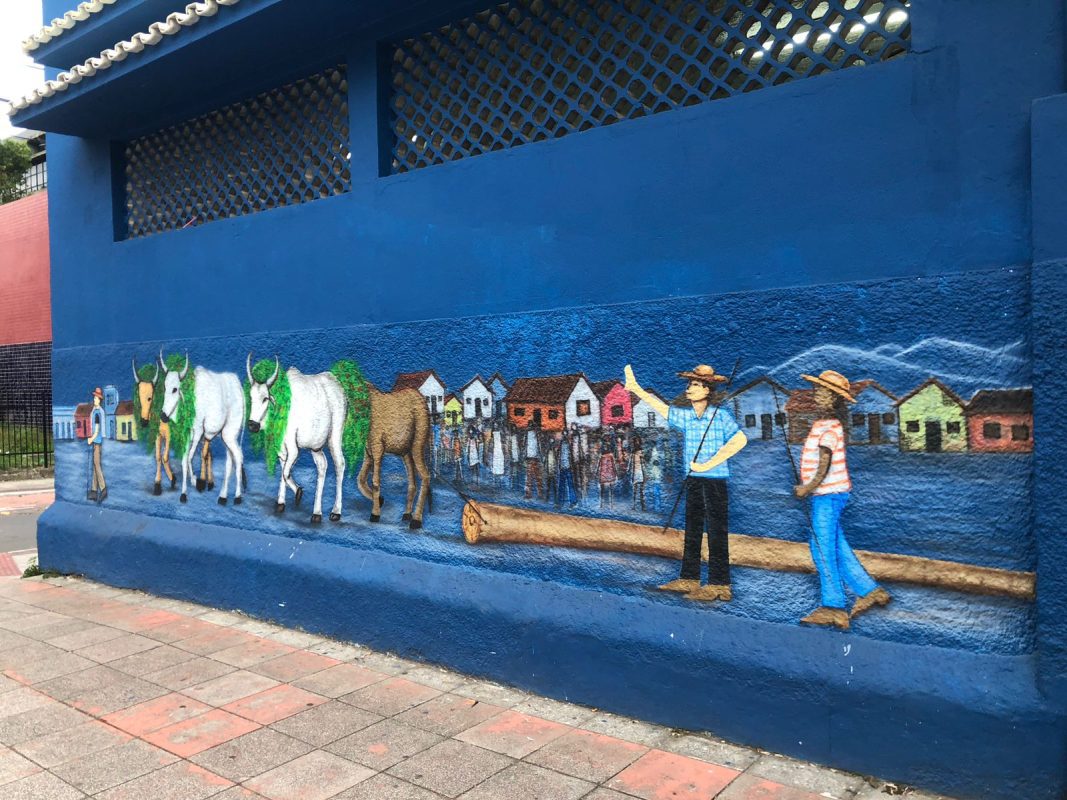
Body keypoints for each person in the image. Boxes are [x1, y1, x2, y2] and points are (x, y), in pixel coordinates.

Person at [625, 363, 747, 602]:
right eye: (689, 384)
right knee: (692, 528)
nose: (689, 388)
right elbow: (662, 409)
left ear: (707, 390)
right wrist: (635, 388)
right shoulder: (687, 417)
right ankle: (689, 577)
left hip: (714, 481)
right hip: (692, 479)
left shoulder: (719, 416)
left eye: (695, 384)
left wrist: (708, 463)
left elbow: (739, 440)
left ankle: (720, 584)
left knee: (716, 531)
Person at [794, 370, 891, 630]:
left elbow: (824, 463)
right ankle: (870, 591)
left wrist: (808, 487)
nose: (817, 395)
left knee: (821, 548)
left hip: (827, 494)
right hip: (830, 494)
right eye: (817, 391)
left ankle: (834, 607)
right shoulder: (823, 424)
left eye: (823, 393)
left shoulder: (830, 426)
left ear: (835, 399)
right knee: (836, 545)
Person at [87, 387, 107, 503]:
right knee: (95, 465)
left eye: (96, 398)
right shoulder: (95, 411)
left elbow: (97, 430)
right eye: (94, 398)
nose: (94, 400)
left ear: (99, 400)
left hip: (97, 442)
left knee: (97, 464)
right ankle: (94, 491)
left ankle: (103, 488)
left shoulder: (97, 413)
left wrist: (91, 439)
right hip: (97, 442)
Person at [524, 419, 544, 500]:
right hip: (530, 458)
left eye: (531, 425)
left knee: (536, 477)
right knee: (530, 477)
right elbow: (525, 446)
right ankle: (529, 494)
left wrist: (541, 456)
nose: (530, 427)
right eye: (530, 425)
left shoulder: (536, 434)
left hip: (535, 458)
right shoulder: (528, 434)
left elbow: (539, 446)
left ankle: (539, 494)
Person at [597, 440, 617, 509]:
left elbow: (613, 464)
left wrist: (615, 472)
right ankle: (604, 504)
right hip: (605, 472)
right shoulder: (605, 455)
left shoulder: (607, 455)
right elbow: (599, 465)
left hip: (607, 472)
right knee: (606, 489)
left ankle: (607, 504)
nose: (605, 447)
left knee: (608, 489)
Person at [630, 434, 645, 511]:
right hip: (635, 472)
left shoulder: (641, 452)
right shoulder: (633, 453)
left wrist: (645, 473)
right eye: (636, 441)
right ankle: (634, 505)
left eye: (638, 441)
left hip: (640, 472)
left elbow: (643, 463)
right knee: (635, 490)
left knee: (641, 490)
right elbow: (631, 464)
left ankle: (642, 506)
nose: (637, 443)